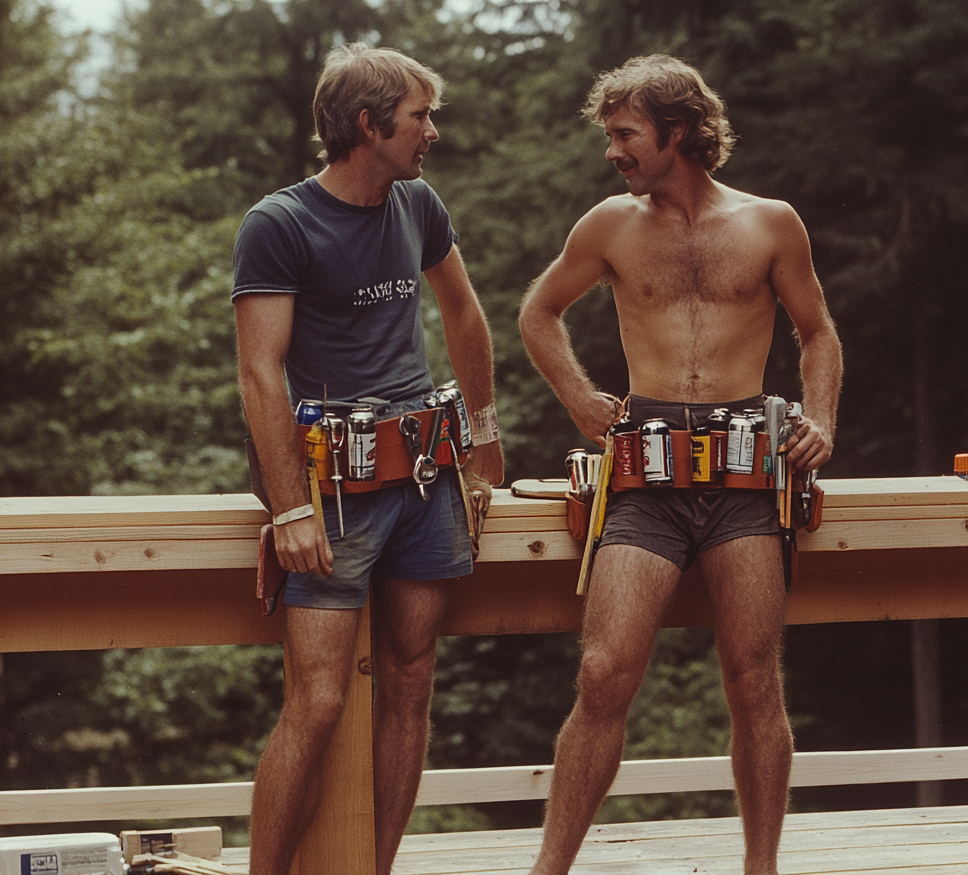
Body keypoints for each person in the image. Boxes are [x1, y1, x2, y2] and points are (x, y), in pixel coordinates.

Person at [518, 55, 842, 875]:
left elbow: (818, 333)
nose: (613, 151)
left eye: (625, 134)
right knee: (602, 673)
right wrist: (581, 400)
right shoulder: (609, 226)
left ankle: (760, 868)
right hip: (646, 476)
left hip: (744, 476)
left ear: (680, 132)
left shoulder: (772, 224)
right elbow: (539, 311)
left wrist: (822, 420)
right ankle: (548, 870)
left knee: (753, 680)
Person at [232, 43, 504, 875]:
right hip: (334, 496)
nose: (431, 132)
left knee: (412, 677)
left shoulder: (417, 204)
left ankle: (377, 869)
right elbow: (259, 370)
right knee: (317, 702)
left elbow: (464, 312)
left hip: (425, 476)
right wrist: (288, 508)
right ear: (367, 123)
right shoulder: (280, 224)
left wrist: (485, 436)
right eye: (421, 116)